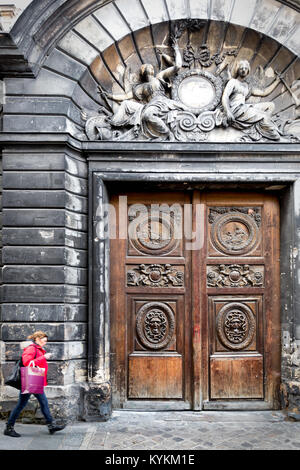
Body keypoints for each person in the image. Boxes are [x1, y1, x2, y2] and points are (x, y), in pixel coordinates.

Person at [100, 41, 185, 140]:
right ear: (142, 72)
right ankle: (113, 123)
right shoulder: (140, 88)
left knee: (182, 108)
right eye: (145, 67)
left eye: (150, 67)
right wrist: (109, 96)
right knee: (128, 105)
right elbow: (126, 97)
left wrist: (176, 49)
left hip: (162, 102)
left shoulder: (159, 76)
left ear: (153, 70)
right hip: (150, 105)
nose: (148, 67)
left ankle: (169, 134)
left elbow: (178, 66)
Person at [4, 331, 66, 438]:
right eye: (43, 340)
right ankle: (9, 427)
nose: (45, 343)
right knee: (27, 403)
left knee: (40, 402)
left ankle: (51, 425)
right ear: (37, 339)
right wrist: (44, 357)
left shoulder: (38, 349)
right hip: (30, 379)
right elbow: (27, 362)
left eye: (46, 341)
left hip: (34, 379)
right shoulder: (31, 348)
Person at [222, 59, 282, 140]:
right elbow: (225, 96)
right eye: (241, 68)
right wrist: (227, 111)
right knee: (263, 116)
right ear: (237, 70)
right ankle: (268, 131)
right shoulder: (233, 82)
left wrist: (277, 81)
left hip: (244, 108)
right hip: (236, 110)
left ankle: (260, 127)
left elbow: (264, 92)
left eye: (245, 68)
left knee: (270, 106)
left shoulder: (247, 86)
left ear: (248, 71)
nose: (243, 70)